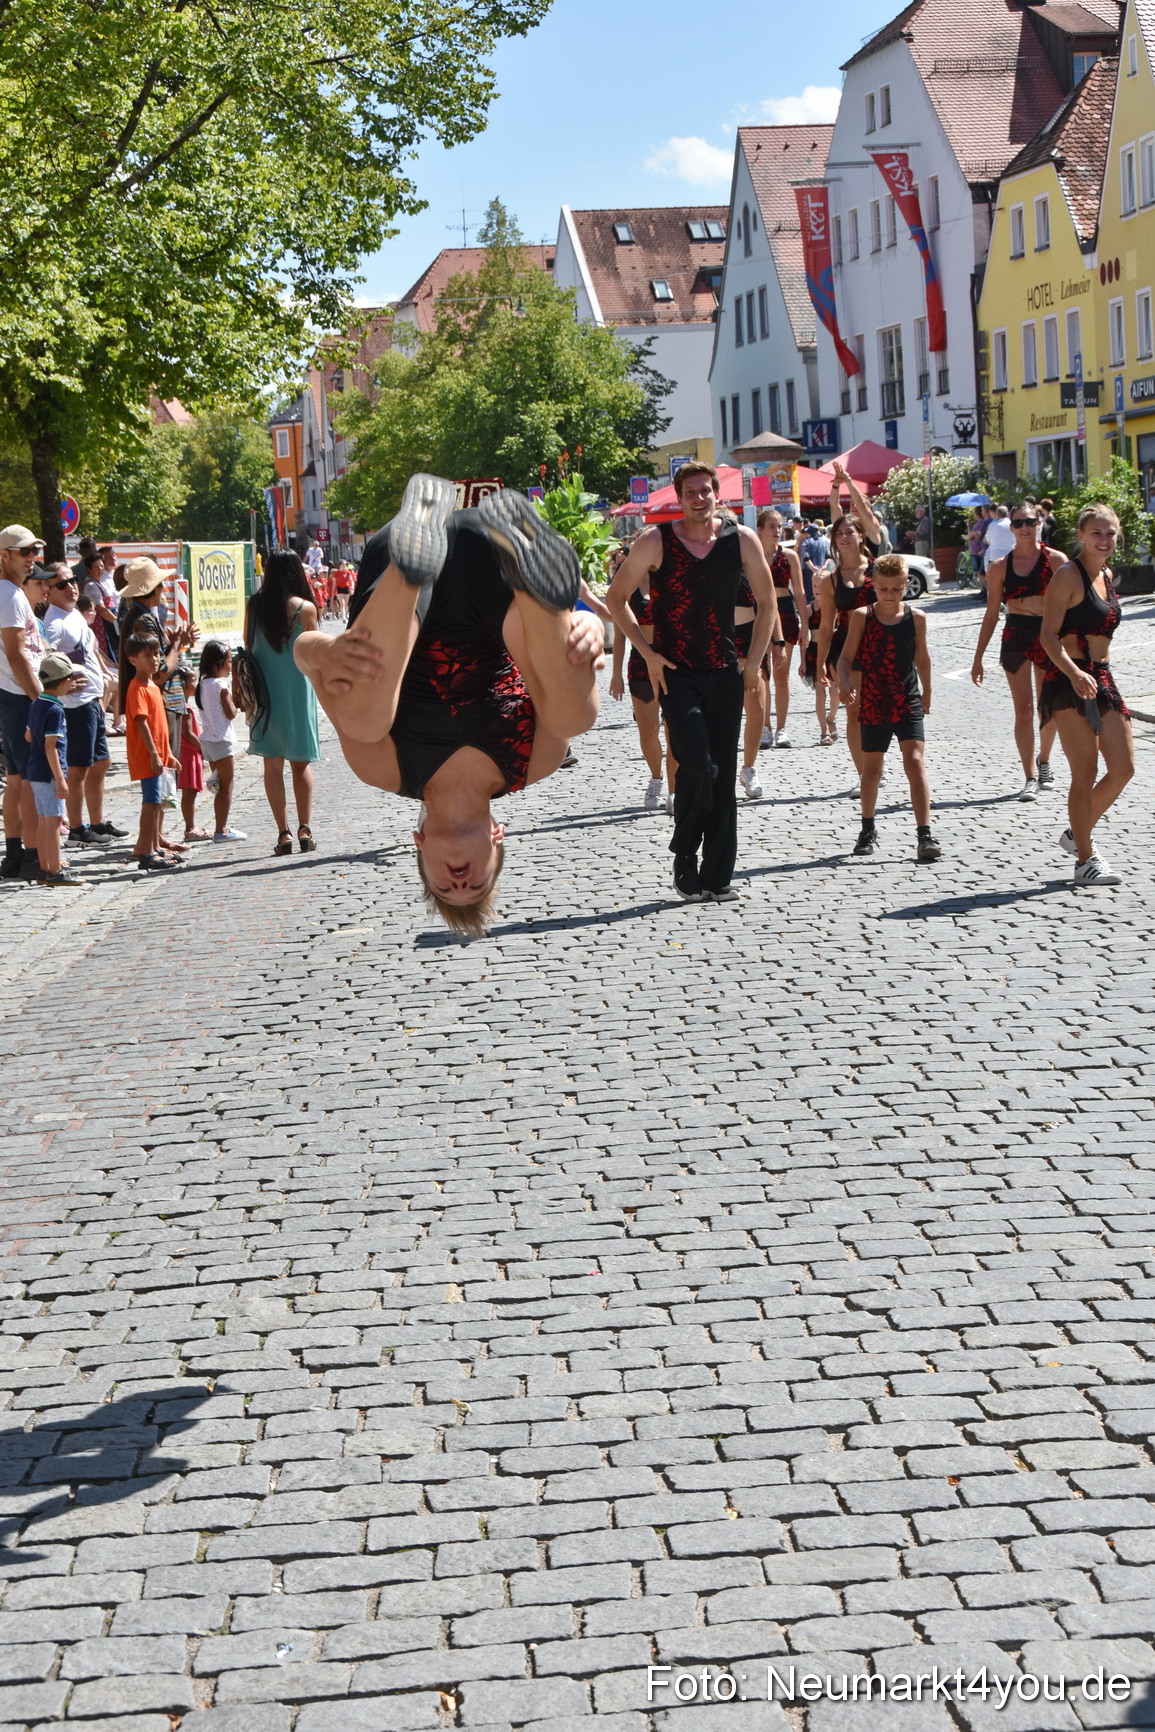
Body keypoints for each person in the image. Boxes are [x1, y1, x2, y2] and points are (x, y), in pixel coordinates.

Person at [297, 476, 602, 931]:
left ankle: (410, 566)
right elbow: (553, 671)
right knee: (574, 716)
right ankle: (535, 579)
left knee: (362, 722)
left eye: (443, 888)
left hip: (405, 589)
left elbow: (303, 653)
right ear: (497, 840)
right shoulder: (535, 762)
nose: (459, 882)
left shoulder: (383, 769)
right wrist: (584, 626)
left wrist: (325, 652)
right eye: (476, 885)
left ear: (418, 845)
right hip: (496, 568)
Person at [608, 461, 776, 903]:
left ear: (718, 494)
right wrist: (647, 654)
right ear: (679, 499)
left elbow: (767, 603)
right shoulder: (656, 540)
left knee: (722, 775)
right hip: (676, 673)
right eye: (690, 493)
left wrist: (754, 664)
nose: (699, 499)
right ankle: (684, 854)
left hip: (724, 670)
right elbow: (616, 598)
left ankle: (717, 875)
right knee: (697, 765)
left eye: (706, 491)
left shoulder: (741, 539)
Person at [1039, 504, 1133, 886]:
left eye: (1110, 533)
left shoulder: (1106, 574)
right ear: (1081, 536)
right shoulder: (1067, 575)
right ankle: (1084, 859)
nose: (1104, 540)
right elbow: (1047, 636)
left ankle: (1077, 831)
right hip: (1069, 680)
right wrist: (1074, 673)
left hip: (1103, 677)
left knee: (1124, 767)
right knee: (1086, 771)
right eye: (1096, 533)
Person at [837, 554, 941, 863]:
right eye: (884, 589)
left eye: (897, 588)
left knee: (915, 761)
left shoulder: (916, 617)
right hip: (873, 701)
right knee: (872, 771)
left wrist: (927, 691)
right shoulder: (863, 616)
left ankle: (925, 834)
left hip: (906, 698)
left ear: (907, 584)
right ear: (874, 585)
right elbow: (846, 657)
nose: (890, 595)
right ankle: (867, 829)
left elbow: (923, 657)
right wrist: (844, 681)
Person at [970, 502, 1062, 800]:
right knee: (1023, 709)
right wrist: (978, 658)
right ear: (1011, 527)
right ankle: (1030, 776)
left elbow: (1071, 604)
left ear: (1039, 523)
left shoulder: (1056, 560)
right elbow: (991, 614)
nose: (1024, 527)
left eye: (1030, 522)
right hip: (1016, 634)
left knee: (1047, 708)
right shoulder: (1000, 566)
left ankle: (1044, 760)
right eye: (1018, 523)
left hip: (1047, 634)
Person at [41, 563, 127, 845]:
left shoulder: (73, 614)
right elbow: (45, 659)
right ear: (48, 591)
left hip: (91, 700)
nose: (70, 587)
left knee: (101, 762)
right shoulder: (54, 623)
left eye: (72, 581)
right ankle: (77, 829)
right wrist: (62, 683)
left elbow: (89, 651)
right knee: (78, 769)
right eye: (61, 584)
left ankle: (98, 823)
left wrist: (102, 676)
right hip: (74, 705)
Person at [247, 551, 321, 856]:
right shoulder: (306, 609)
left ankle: (284, 833)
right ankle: (305, 828)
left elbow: (248, 644)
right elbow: (316, 652)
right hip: (298, 690)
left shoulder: (254, 606)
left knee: (272, 763)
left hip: (265, 692)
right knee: (300, 763)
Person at [0, 526, 50, 882]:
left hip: (14, 695)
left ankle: (15, 856)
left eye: (34, 551)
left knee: (17, 779)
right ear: (4, 555)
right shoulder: (9, 595)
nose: (32, 557)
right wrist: (39, 699)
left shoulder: (11, 592)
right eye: (24, 552)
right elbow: (16, 654)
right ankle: (33, 856)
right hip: (20, 696)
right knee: (31, 781)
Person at [608, 547, 670, 812]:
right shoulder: (627, 588)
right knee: (648, 731)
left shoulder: (668, 580)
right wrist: (616, 674)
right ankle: (656, 778)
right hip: (640, 663)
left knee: (674, 729)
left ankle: (675, 791)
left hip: (671, 662)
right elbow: (620, 636)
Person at [815, 510, 880, 763]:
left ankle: (876, 763)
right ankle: (864, 773)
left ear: (861, 535)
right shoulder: (830, 581)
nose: (844, 537)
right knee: (854, 710)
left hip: (878, 643)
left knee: (877, 709)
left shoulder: (878, 569)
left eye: (849, 532)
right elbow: (825, 626)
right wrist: (820, 662)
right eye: (839, 533)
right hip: (845, 648)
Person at [24, 651, 83, 886]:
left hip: (35, 770)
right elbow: (51, 747)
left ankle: (45, 867)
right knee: (55, 821)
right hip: (49, 774)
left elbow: (28, 736)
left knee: (44, 821)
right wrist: (60, 778)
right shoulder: (56, 710)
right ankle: (55, 870)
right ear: (65, 681)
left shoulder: (37, 703)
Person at [123, 632, 181, 870]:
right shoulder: (137, 688)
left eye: (157, 653)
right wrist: (155, 754)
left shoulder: (153, 686)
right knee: (151, 803)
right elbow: (141, 722)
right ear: (133, 659)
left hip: (158, 755)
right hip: (147, 756)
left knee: (157, 803)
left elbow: (160, 727)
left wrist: (168, 754)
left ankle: (155, 846)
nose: (155, 659)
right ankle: (146, 851)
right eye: (147, 655)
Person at [758, 509, 809, 751]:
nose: (777, 531)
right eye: (771, 526)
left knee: (781, 673)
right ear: (760, 529)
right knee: (762, 674)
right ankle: (764, 727)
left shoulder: (789, 556)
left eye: (779, 526)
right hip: (759, 613)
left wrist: (805, 624)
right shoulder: (752, 555)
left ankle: (781, 728)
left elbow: (799, 592)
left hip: (785, 612)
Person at [195, 640, 245, 842]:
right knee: (226, 786)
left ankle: (220, 826)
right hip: (222, 739)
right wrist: (235, 699)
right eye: (229, 661)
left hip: (208, 739)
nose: (230, 666)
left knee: (219, 785)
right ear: (218, 663)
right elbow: (230, 713)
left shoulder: (202, 684)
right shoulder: (221, 685)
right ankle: (221, 830)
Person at [176, 661, 207, 840]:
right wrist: (203, 747)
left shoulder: (183, 704)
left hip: (189, 752)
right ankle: (190, 827)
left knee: (190, 792)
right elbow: (188, 733)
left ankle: (191, 825)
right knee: (189, 792)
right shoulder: (185, 707)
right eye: (193, 680)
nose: (196, 684)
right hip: (189, 753)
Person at [798, 520, 830, 606]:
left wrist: (812, 567)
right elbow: (829, 556)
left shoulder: (806, 541)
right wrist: (825, 566)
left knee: (809, 595)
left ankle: (811, 611)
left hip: (808, 571)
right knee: (823, 593)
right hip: (822, 571)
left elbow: (805, 557)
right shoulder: (824, 541)